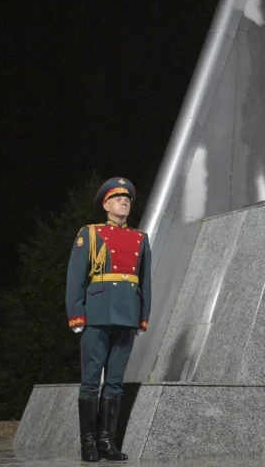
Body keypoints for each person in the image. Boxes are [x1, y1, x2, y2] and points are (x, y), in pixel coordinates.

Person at [66, 177, 151, 462]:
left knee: (114, 382)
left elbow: (146, 281)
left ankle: (106, 442)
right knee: (91, 381)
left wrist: (143, 316)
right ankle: (88, 443)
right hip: (98, 312)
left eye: (127, 199)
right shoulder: (90, 233)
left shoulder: (141, 238)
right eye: (117, 199)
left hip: (127, 313)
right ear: (106, 204)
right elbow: (75, 277)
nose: (124, 202)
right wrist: (76, 313)